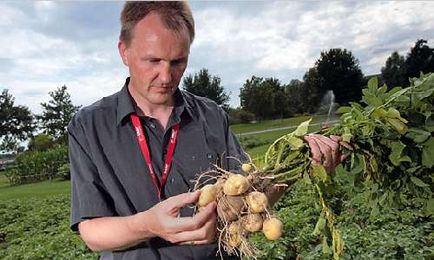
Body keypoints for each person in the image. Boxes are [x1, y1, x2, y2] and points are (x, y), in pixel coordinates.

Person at [68, 2, 346, 259]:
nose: (166, 77)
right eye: (152, 61)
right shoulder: (88, 126)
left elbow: (250, 196)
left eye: (178, 62)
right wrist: (148, 224)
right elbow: (92, 233)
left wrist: (301, 162)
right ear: (124, 52)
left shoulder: (211, 115)